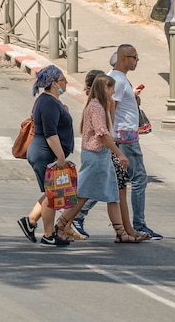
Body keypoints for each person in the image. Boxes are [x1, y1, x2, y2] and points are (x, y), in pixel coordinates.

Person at [55, 74, 149, 243]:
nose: (113, 91)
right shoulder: (96, 107)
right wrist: (120, 154)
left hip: (101, 155)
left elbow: (109, 130)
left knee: (113, 194)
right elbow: (103, 134)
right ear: (105, 88)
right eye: (111, 88)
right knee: (83, 193)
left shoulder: (100, 106)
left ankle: (121, 233)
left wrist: (111, 106)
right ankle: (61, 225)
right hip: (95, 156)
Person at [109, 44, 162, 239]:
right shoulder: (119, 80)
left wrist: (133, 99)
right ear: (123, 58)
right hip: (125, 136)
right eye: (134, 57)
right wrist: (112, 134)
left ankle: (78, 217)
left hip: (122, 135)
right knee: (139, 178)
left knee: (114, 181)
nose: (137, 61)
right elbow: (111, 108)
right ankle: (139, 224)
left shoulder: (118, 79)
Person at [17, 65, 74, 247]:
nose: (66, 83)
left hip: (43, 151)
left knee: (50, 192)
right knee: (52, 195)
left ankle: (30, 221)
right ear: (54, 83)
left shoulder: (50, 101)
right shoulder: (48, 102)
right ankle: (48, 235)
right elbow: (50, 133)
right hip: (44, 152)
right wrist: (60, 157)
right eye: (63, 80)